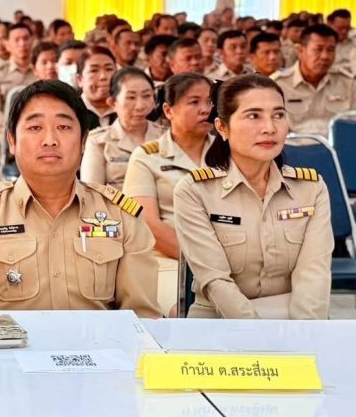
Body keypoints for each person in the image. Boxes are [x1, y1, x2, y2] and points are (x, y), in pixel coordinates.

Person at [0, 80, 160, 317]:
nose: (50, 140)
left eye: (63, 127)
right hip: (8, 342)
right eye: (35, 128)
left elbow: (140, 316)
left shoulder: (121, 216)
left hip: (98, 341)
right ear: (12, 141)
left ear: (83, 141)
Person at [174, 74, 332, 319]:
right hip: (220, 320)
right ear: (222, 127)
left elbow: (314, 274)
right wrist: (258, 333)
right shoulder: (195, 191)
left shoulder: (311, 188)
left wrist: (304, 332)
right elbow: (215, 279)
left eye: (278, 115)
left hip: (294, 317)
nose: (270, 128)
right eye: (253, 116)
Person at [122, 72, 215, 314]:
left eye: (210, 101)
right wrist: (202, 262)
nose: (205, 110)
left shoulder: (227, 154)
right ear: (168, 110)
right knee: (185, 310)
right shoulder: (147, 157)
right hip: (169, 260)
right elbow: (148, 223)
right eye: (194, 102)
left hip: (227, 261)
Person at [81, 68, 165, 189]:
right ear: (113, 103)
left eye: (147, 96)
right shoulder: (99, 141)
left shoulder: (166, 137)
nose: (140, 106)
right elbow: (92, 192)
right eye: (131, 97)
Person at [273, 23, 356, 137]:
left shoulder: (348, 83)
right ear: (300, 51)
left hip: (337, 146)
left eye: (330, 50)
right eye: (318, 49)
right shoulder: (278, 85)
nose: (325, 56)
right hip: (294, 146)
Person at [0, 24, 36, 150]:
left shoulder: (41, 70)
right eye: (17, 40)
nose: (22, 44)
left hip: (38, 125)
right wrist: (14, 127)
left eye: (26, 38)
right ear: (8, 44)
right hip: (5, 126)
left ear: (32, 40)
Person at [76, 45, 117, 128]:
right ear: (80, 79)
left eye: (109, 69)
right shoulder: (72, 111)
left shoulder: (129, 110)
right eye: (94, 70)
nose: (103, 76)